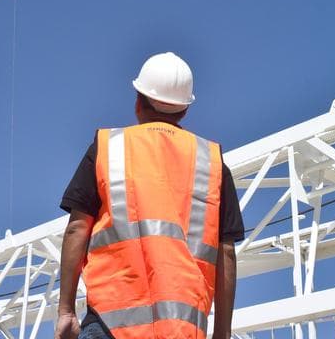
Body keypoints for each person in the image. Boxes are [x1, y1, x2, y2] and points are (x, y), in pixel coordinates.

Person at [56, 52, 244, 339]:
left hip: (108, 324)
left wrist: (66, 311)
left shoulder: (108, 148)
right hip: (183, 330)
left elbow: (77, 228)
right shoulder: (212, 162)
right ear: (184, 110)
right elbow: (226, 253)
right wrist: (222, 334)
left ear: (138, 102)